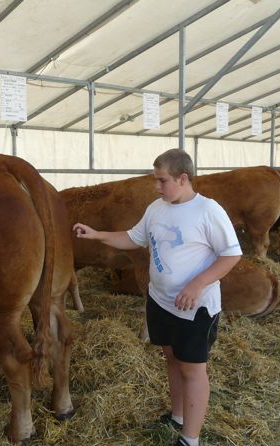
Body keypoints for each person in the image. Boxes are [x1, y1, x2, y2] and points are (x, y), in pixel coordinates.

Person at [73, 149, 241, 446]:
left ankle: (190, 439)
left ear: (183, 178)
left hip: (195, 307)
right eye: (156, 180)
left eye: (162, 180)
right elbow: (133, 238)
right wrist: (97, 234)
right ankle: (177, 415)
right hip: (160, 300)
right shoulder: (156, 208)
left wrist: (197, 284)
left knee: (192, 368)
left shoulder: (208, 210)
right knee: (171, 357)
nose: (156, 186)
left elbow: (231, 255)